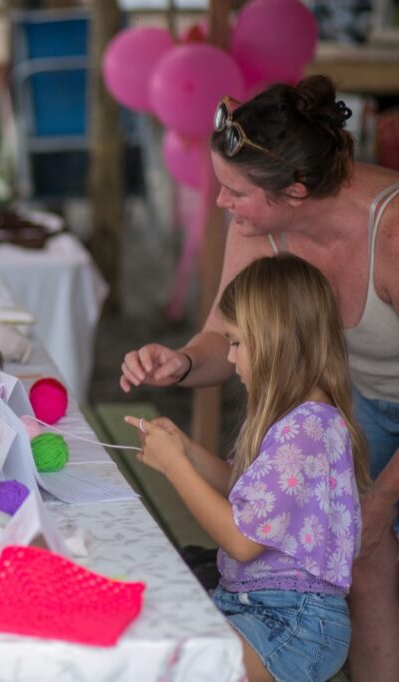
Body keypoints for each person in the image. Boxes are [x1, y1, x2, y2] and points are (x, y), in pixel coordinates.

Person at [118, 76, 399, 681]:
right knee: (363, 557)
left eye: (235, 191)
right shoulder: (259, 222)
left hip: (291, 619)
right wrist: (182, 362)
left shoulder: (393, 231)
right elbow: (223, 334)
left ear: (294, 191)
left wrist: (378, 504)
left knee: (371, 547)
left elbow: (246, 538)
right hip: (360, 399)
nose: (221, 202)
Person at [126, 255, 367, 682]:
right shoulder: (293, 418)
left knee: (172, 662)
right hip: (256, 608)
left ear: (276, 339)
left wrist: (176, 466)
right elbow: (244, 491)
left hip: (293, 625)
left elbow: (242, 540)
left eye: (236, 343)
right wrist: (186, 450)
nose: (230, 358)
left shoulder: (305, 429)